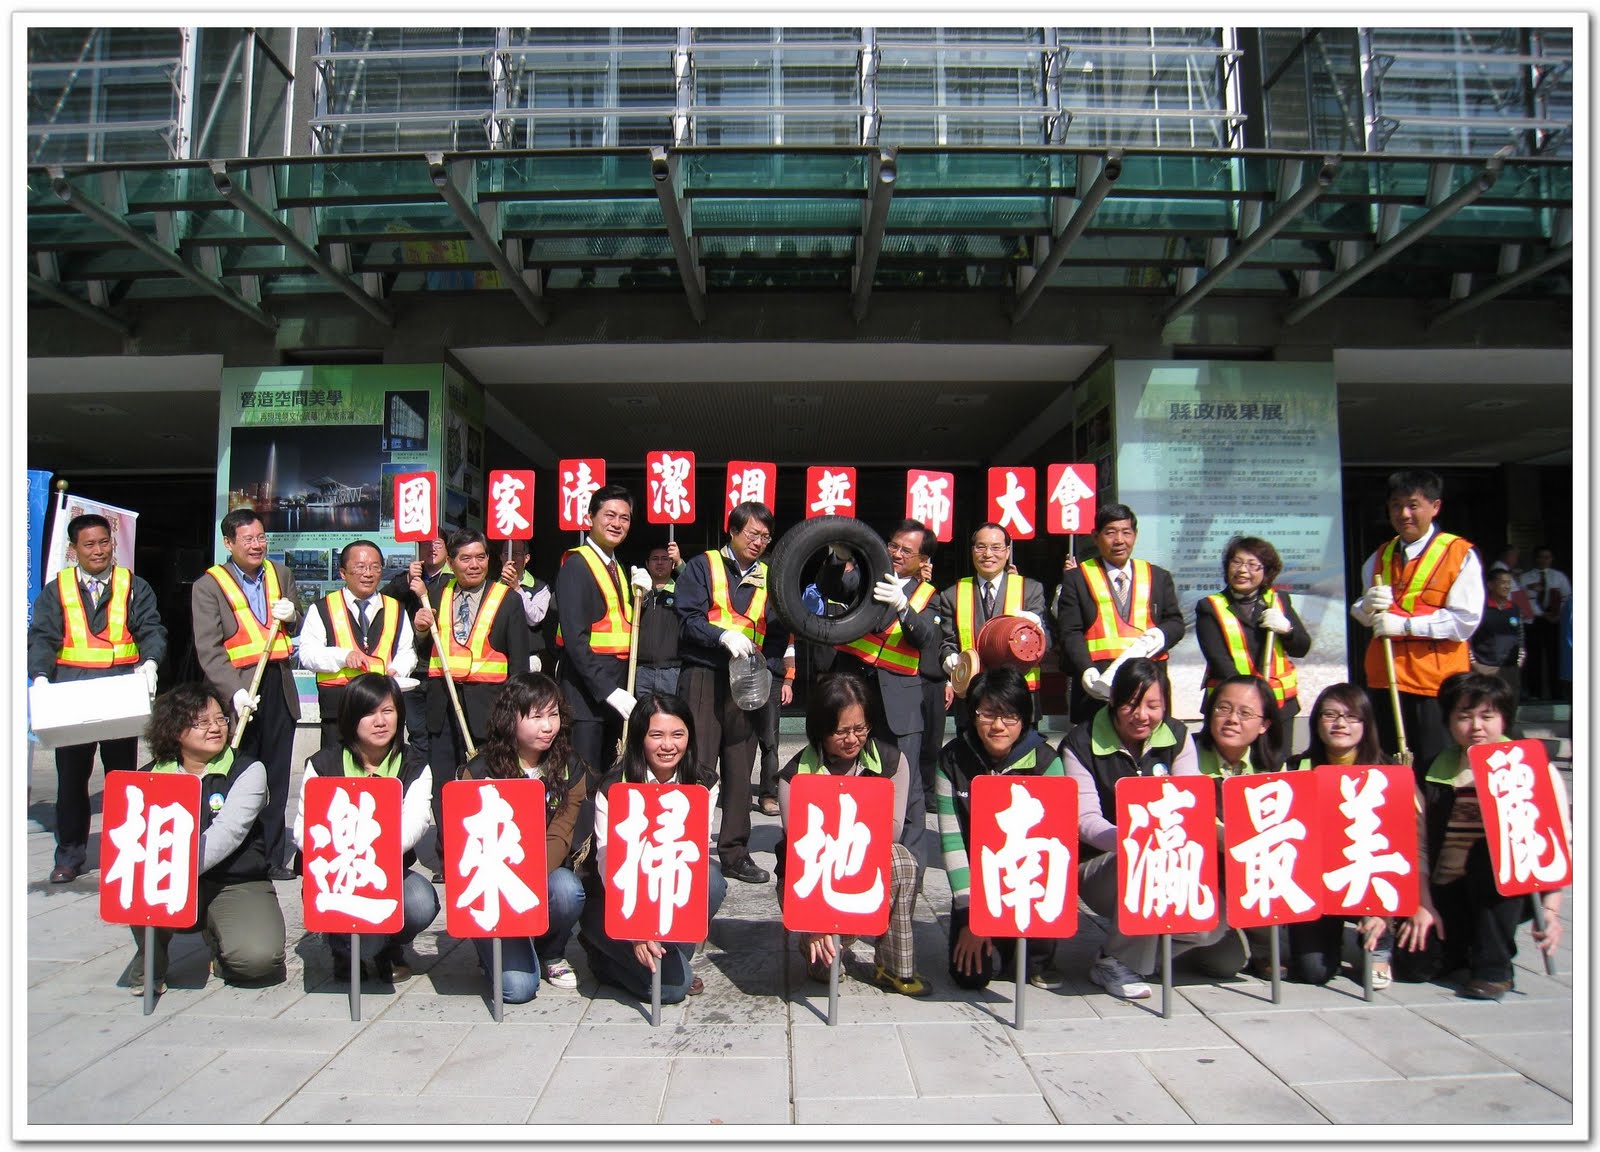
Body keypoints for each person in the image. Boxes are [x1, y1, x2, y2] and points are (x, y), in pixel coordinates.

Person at [1059, 658, 1241, 1000]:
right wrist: (1134, 842)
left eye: (1153, 706)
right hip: (1102, 865)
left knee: (1212, 926)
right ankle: (1115, 958)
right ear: (1114, 701)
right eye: (1131, 704)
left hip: (1170, 858)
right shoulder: (1080, 742)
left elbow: (1192, 805)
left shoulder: (1177, 737)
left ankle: (1127, 958)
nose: (1141, 715)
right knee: (1146, 863)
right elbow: (1085, 820)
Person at [1393, 672, 1562, 1000]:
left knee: (1488, 854)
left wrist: (1551, 910)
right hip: (1447, 887)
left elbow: (1557, 840)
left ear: (1504, 719)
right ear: (1448, 721)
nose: (1476, 727)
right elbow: (1418, 846)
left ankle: (1494, 970)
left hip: (1505, 890)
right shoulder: (1428, 771)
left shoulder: (1531, 767)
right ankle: (1465, 947)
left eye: (1487, 716)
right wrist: (1422, 905)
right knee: (1414, 966)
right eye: (1464, 716)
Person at [28, 512, 167, 883]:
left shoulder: (133, 586)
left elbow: (151, 629)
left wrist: (151, 662)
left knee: (122, 778)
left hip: (120, 692)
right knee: (72, 780)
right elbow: (42, 636)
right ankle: (69, 856)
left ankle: (124, 853)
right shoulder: (57, 590)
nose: (98, 550)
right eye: (89, 544)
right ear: (74, 549)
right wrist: (39, 675)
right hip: (73, 694)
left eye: (104, 542)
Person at [121, 683, 286, 994]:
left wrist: (173, 869)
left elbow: (228, 832)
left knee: (259, 961)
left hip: (234, 880)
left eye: (220, 718)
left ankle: (221, 948)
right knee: (141, 879)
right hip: (169, 879)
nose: (215, 728)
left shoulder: (247, 770)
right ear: (173, 730)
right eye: (202, 722)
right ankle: (151, 962)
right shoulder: (148, 778)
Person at [776, 674, 931, 996]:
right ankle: (813, 940)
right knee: (826, 971)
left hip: (865, 860)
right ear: (820, 729)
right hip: (814, 873)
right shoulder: (795, 775)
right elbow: (799, 847)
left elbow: (893, 830)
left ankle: (893, 966)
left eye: (860, 729)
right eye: (840, 731)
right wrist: (816, 924)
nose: (852, 739)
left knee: (902, 861)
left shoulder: (891, 762)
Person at [579, 693, 725, 1004]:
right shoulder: (614, 786)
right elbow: (607, 860)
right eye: (656, 735)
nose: (668, 745)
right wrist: (635, 928)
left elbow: (694, 852)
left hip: (666, 892)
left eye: (677, 734)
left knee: (712, 880)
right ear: (639, 738)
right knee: (673, 990)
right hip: (614, 901)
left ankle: (671, 957)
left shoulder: (704, 782)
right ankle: (603, 954)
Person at [293, 673, 438, 983]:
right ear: (350, 717)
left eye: (388, 711)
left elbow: (415, 823)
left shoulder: (413, 765)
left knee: (420, 902)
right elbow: (302, 830)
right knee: (356, 939)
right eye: (369, 713)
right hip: (335, 874)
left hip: (387, 870)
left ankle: (389, 948)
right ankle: (343, 950)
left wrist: (373, 851)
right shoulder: (323, 764)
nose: (380, 721)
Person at [674, 501, 791, 885]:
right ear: (733, 531)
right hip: (705, 674)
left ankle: (735, 853)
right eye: (753, 533)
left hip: (747, 680)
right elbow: (687, 619)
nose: (759, 542)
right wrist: (721, 636)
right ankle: (685, 848)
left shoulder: (770, 577)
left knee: (741, 767)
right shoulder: (702, 566)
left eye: (766, 537)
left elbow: (778, 632)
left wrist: (767, 668)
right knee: (699, 764)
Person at [457, 673, 589, 1000]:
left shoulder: (570, 767)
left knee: (568, 889)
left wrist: (527, 878)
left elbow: (561, 836)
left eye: (553, 715)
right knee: (518, 989)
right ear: (509, 719)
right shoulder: (479, 771)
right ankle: (493, 947)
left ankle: (550, 951)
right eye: (536, 717)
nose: (548, 727)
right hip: (495, 888)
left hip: (540, 876)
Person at [934, 667, 1067, 991]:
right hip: (978, 886)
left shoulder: (1047, 762)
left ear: (1024, 718)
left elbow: (1057, 846)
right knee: (970, 976)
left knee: (1027, 969)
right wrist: (973, 916)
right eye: (988, 714)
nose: (998, 725)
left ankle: (1037, 952)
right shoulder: (951, 760)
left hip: (1028, 884)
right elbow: (952, 843)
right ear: (973, 714)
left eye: (1009, 716)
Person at [819, 519, 941, 865]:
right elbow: (830, 588)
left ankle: (911, 865)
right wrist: (838, 558)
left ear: (923, 560)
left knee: (907, 784)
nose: (897, 554)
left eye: (907, 551)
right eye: (894, 545)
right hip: (853, 691)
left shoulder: (929, 596)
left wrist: (903, 606)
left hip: (899, 702)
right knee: (844, 773)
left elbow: (924, 638)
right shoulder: (867, 575)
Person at [1350, 469, 1483, 780]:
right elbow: (1366, 613)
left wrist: (1406, 626)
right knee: (1387, 767)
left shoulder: (1459, 553)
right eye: (1396, 506)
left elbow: (1465, 621)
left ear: (1435, 507)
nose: (1404, 514)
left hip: (1434, 682)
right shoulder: (1381, 555)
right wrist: (1365, 606)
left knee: (1434, 767)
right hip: (1385, 678)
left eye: (1413, 505)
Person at [412, 528, 529, 877]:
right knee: (444, 784)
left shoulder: (507, 599)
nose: (474, 565)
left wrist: (516, 712)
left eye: (480, 557)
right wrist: (420, 629)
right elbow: (422, 650)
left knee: (489, 782)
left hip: (490, 708)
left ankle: (486, 850)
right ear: (451, 562)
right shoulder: (435, 594)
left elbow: (519, 663)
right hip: (442, 704)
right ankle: (449, 856)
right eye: (465, 558)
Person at [191, 509, 301, 879]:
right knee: (239, 771)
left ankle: (272, 857)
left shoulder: (280, 574)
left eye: (261, 537)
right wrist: (234, 692)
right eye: (248, 539)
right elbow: (209, 649)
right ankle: (236, 854)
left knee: (276, 775)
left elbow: (296, 622)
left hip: (278, 685)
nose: (257, 545)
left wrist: (292, 615)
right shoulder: (208, 586)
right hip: (238, 690)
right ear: (228, 543)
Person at [1283, 684, 1397, 987]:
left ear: (1366, 723)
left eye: (1351, 716)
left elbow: (1401, 843)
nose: (1340, 724)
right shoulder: (1296, 768)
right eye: (1330, 715)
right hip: (1316, 884)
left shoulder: (1388, 771)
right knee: (1313, 973)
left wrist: (1384, 911)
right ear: (1316, 721)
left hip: (1369, 877)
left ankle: (1380, 941)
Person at [1193, 674, 1287, 978]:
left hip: (1249, 875)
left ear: (1264, 725)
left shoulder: (1274, 766)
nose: (1232, 719)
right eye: (1223, 708)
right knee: (1226, 964)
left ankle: (1261, 942)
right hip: (1199, 878)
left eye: (1245, 713)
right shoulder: (1186, 755)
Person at [1055, 504, 1185, 724]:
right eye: (1110, 533)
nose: (1119, 541)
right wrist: (1085, 669)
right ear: (1095, 537)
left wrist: (1160, 635)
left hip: (1147, 681)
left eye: (1126, 532)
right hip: (1098, 684)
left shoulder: (1158, 577)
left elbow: (1175, 622)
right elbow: (1070, 631)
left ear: (1135, 535)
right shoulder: (1077, 578)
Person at [297, 539, 417, 750]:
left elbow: (407, 651)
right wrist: (342, 656)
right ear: (343, 573)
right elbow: (307, 654)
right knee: (337, 766)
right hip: (339, 708)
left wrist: (398, 669)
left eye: (375, 567)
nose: (368, 574)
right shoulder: (322, 608)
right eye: (360, 567)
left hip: (382, 709)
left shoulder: (396, 609)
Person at [553, 484, 638, 775]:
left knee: (610, 778)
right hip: (586, 696)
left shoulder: (618, 566)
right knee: (584, 780)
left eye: (624, 518)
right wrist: (608, 690)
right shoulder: (576, 565)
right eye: (609, 515)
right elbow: (575, 640)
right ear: (590, 517)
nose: (617, 523)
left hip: (616, 691)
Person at [934, 523, 1050, 729]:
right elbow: (947, 642)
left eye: (996, 547)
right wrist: (948, 657)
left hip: (1018, 693)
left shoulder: (1029, 590)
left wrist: (1037, 631)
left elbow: (1047, 642)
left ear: (1007, 551)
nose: (988, 554)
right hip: (973, 697)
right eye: (981, 547)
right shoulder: (952, 594)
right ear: (972, 551)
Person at [1194, 536, 1312, 724]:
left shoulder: (1278, 600)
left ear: (1266, 572)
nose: (1242, 570)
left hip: (1278, 706)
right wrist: (1250, 698)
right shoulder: (1209, 607)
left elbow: (1302, 648)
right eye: (1236, 562)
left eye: (1252, 565)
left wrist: (1287, 630)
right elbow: (1219, 661)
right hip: (1232, 706)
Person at [382, 534, 450, 758]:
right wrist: (408, 579)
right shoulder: (407, 579)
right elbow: (384, 601)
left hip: (442, 666)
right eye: (425, 544)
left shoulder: (453, 580)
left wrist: (425, 594)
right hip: (413, 668)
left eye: (437, 544)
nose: (432, 548)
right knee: (417, 731)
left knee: (442, 732)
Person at [1471, 567, 1527, 729]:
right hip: (1484, 666)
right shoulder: (1480, 609)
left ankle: (1507, 737)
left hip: (1510, 667)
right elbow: (1469, 636)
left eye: (1509, 583)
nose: (1507, 586)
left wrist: (1520, 656)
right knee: (1485, 706)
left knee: (1509, 706)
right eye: (1502, 582)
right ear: (1490, 585)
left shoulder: (1514, 608)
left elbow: (1520, 635)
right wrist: (1473, 661)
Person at [633, 541, 684, 700]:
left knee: (671, 713)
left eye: (665, 559)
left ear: (672, 564)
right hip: (642, 671)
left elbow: (696, 583)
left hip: (672, 671)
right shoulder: (638, 593)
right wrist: (640, 597)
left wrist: (680, 562)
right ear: (647, 564)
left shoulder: (682, 591)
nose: (660, 563)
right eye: (655, 559)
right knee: (644, 713)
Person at [1519, 546, 1570, 701]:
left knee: (1554, 656)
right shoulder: (1525, 578)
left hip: (1554, 620)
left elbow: (1567, 597)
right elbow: (1522, 600)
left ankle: (1557, 692)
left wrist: (1556, 614)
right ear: (1535, 559)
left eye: (1547, 557)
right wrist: (1542, 614)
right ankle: (1534, 692)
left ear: (1552, 559)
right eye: (1540, 557)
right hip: (1533, 620)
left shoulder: (1559, 577)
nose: (1543, 560)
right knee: (1534, 657)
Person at [511, 547, 554, 675]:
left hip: (528, 656)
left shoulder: (540, 587)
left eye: (516, 553)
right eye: (507, 553)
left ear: (526, 558)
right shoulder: (494, 586)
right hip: (498, 657)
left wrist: (516, 588)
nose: (511, 558)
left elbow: (535, 618)